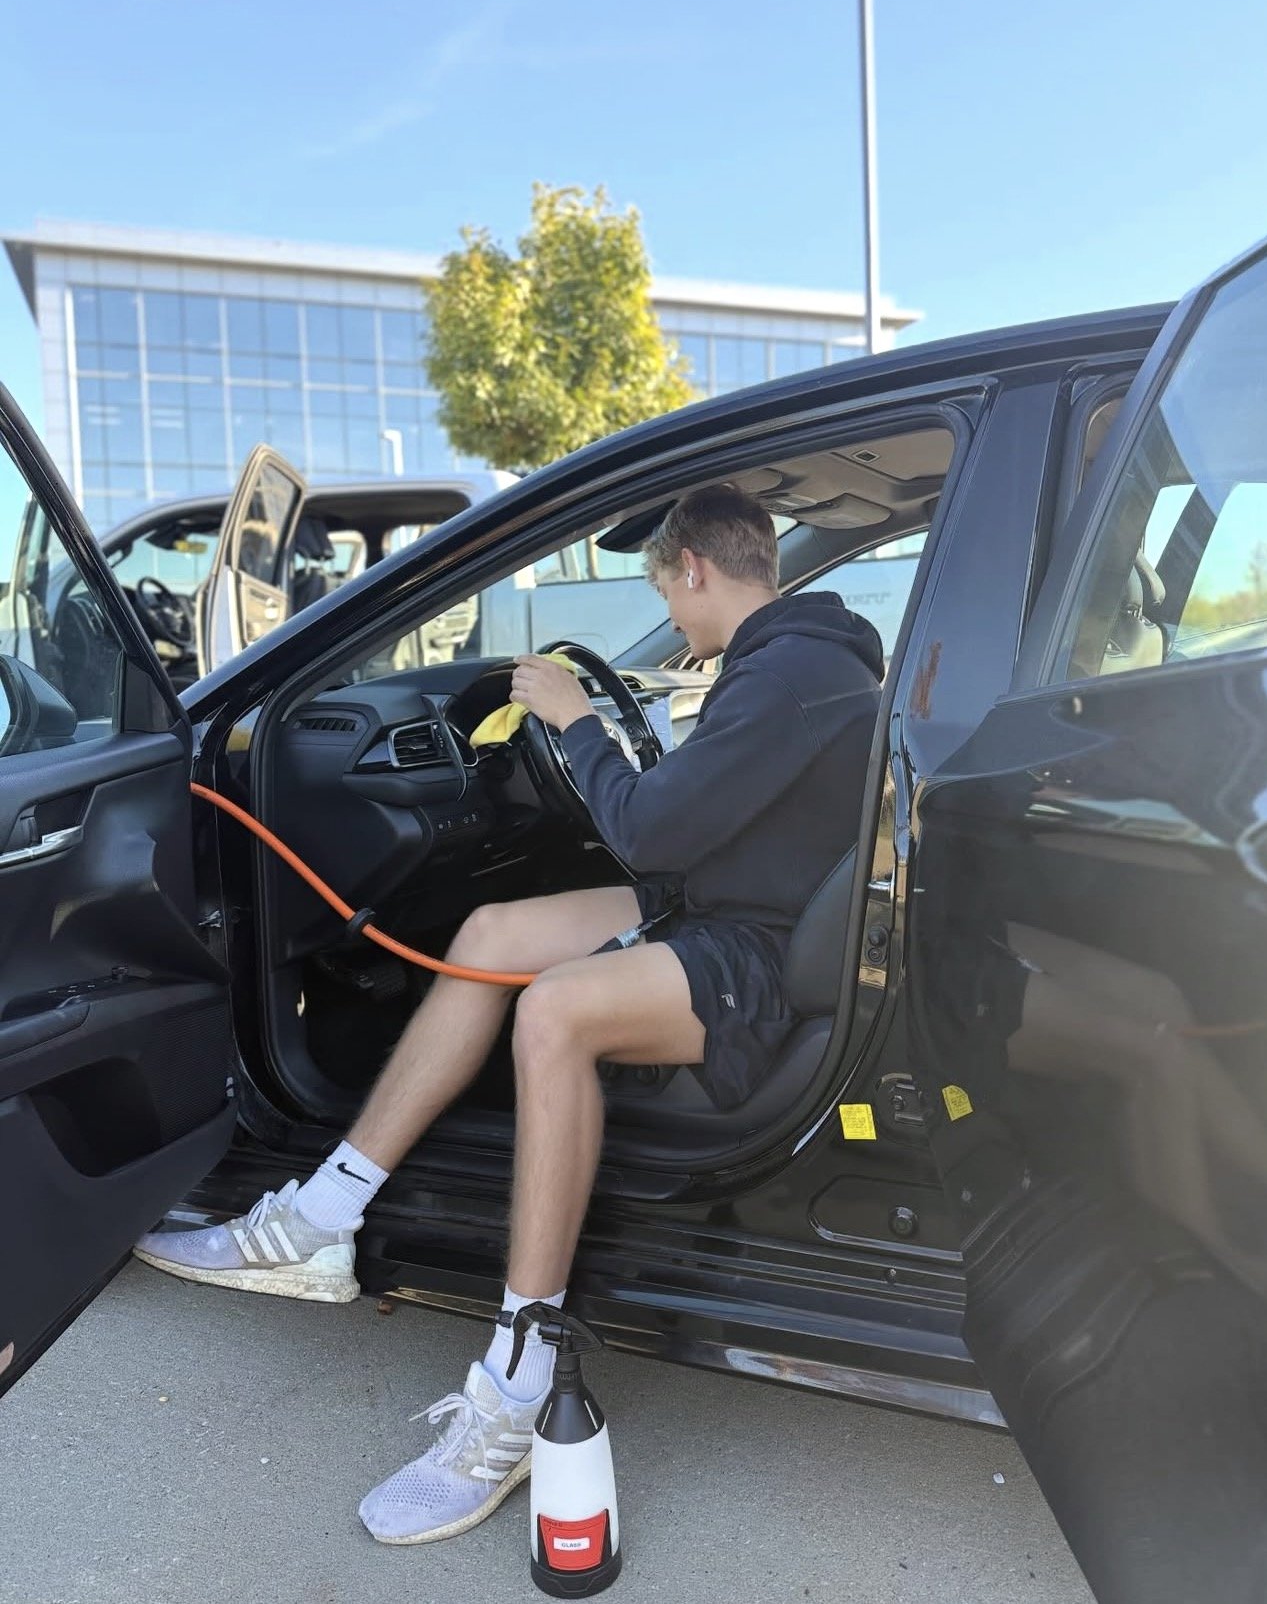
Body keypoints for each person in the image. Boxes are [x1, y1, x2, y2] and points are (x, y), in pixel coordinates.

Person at [135, 482, 885, 1545]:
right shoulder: (798, 659)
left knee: (552, 1013)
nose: (672, 615)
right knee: (490, 933)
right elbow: (694, 821)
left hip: (757, 957)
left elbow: (650, 831)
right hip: (739, 907)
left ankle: (521, 1376)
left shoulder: (792, 672)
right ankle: (323, 1216)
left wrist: (574, 724)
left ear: (696, 570)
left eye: (666, 590)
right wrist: (612, 749)